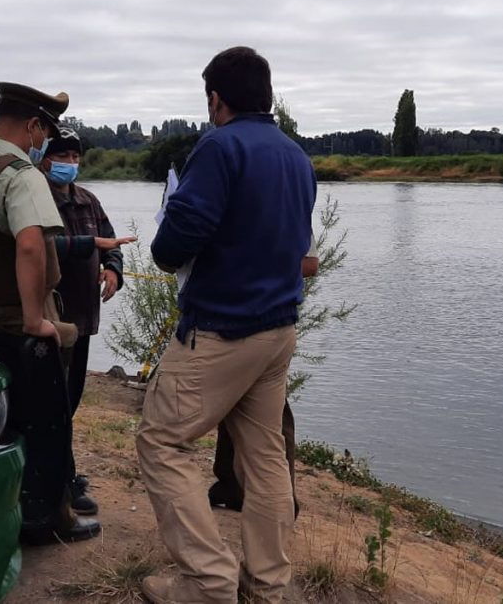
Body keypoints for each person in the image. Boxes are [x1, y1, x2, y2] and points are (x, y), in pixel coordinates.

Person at [136, 47, 316, 604]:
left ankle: (207, 582)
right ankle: (268, 586)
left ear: (217, 98)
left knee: (163, 441)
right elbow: (300, 248)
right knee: (263, 458)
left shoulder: (219, 147)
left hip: (221, 331)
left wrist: (175, 226)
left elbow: (170, 249)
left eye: (208, 98)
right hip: (278, 331)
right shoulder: (295, 156)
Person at [0, 81, 100, 544]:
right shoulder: (20, 174)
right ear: (32, 125)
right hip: (20, 321)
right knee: (47, 423)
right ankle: (47, 520)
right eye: (44, 132)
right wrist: (35, 319)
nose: (44, 142)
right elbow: (30, 244)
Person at [39, 125, 135, 515]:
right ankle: (60, 482)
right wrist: (90, 246)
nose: (71, 164)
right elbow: (38, 246)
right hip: (49, 319)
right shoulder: (36, 200)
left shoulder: (88, 201)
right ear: (46, 160)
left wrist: (113, 269)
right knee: (52, 404)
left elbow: (111, 242)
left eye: (76, 157)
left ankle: (61, 474)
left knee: (71, 400)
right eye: (63, 156)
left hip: (83, 320)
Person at [207, 239, 318, 518]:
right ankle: (231, 483)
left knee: (274, 415)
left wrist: (251, 270)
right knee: (232, 405)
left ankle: (282, 501)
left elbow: (310, 264)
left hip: (261, 320)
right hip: (231, 318)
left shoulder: (287, 204)